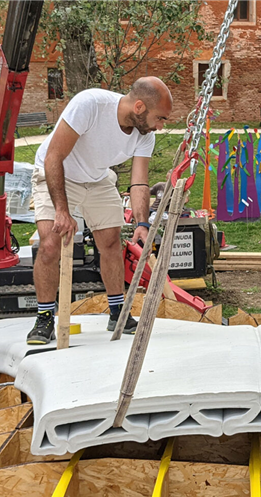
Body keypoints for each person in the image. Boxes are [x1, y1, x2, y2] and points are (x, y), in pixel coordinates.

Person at [27, 76, 172, 345]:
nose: (160, 127)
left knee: (110, 241)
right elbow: (53, 157)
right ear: (139, 107)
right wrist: (62, 210)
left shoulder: (144, 134)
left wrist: (143, 222)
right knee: (50, 244)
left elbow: (139, 181)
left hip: (97, 178)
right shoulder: (90, 104)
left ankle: (118, 312)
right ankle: (44, 317)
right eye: (160, 118)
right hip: (57, 173)